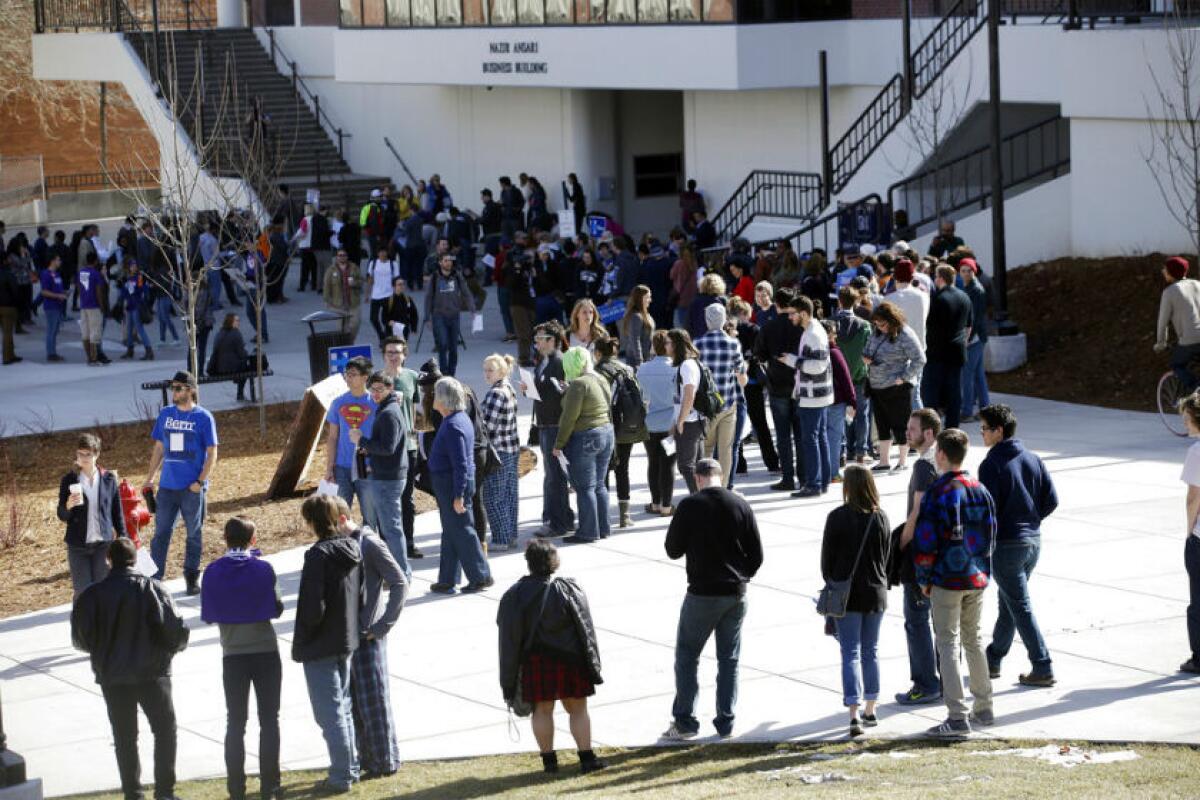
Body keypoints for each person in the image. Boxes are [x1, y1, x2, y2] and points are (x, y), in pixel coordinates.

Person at [71, 538, 189, 800]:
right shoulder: (153, 589)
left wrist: (102, 651)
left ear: (108, 560)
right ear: (135, 559)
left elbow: (80, 639)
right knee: (165, 731)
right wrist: (172, 650)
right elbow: (174, 630)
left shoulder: (92, 595)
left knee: (124, 738)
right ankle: (165, 792)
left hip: (113, 677)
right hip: (153, 674)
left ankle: (133, 794)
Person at [660, 458, 763, 740]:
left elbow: (672, 549)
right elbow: (757, 556)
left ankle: (685, 722)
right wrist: (742, 576)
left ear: (698, 478)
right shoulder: (741, 504)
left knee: (687, 657)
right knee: (728, 660)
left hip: (702, 594)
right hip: (735, 593)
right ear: (721, 475)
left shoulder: (690, 506)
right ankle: (726, 722)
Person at [497, 539, 606, 775]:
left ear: (529, 563)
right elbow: (586, 631)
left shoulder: (514, 595)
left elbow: (509, 639)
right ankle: (587, 759)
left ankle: (549, 763)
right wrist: (593, 666)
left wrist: (508, 680)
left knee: (542, 710)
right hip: (572, 660)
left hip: (536, 662)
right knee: (578, 709)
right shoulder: (569, 589)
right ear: (553, 561)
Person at [914, 428, 998, 738]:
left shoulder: (939, 492)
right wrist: (982, 570)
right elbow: (991, 536)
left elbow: (926, 542)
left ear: (941, 455)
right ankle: (984, 706)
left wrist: (924, 578)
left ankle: (957, 715)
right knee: (973, 639)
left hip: (947, 579)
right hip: (975, 576)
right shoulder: (980, 489)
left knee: (947, 643)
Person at [200, 517, 284, 800]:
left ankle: (236, 789)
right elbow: (278, 607)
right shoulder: (263, 569)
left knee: (235, 722)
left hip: (233, 654)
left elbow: (209, 614)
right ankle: (270, 787)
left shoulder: (212, 571)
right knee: (269, 720)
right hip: (265, 651)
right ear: (253, 540)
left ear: (225, 538)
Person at [978, 403, 1058, 687]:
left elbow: (986, 511)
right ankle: (993, 658)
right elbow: (1052, 500)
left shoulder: (991, 464)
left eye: (985, 429)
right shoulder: (1033, 458)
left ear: (999, 431)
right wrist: (1031, 522)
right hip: (1033, 543)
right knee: (1009, 603)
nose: (982, 434)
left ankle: (1042, 665)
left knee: (1019, 605)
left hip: (1006, 546)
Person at [294, 494, 364, 793]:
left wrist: (306, 633)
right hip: (345, 637)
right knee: (343, 708)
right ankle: (349, 768)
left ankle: (341, 775)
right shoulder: (353, 548)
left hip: (321, 642)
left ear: (314, 522)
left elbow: (313, 607)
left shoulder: (318, 556)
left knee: (329, 713)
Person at [335, 496, 408, 780]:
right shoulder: (344, 545)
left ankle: (385, 761)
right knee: (355, 701)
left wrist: (382, 626)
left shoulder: (369, 543)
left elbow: (400, 582)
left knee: (374, 702)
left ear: (342, 519)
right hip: (348, 637)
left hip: (368, 637)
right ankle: (367, 759)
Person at [821, 465, 891, 737]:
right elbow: (886, 558)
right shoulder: (881, 518)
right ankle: (871, 708)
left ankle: (853, 712)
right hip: (875, 591)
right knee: (870, 651)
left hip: (846, 594)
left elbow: (826, 562)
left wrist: (833, 580)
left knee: (849, 652)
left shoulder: (837, 517)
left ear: (847, 487)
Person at [144, 371, 219, 594]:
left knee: (194, 534)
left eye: (178, 388)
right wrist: (150, 478)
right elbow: (159, 448)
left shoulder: (204, 417)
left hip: (192, 489)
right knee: (161, 534)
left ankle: (191, 577)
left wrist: (200, 481)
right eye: (172, 388)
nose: (174, 392)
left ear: (191, 390)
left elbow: (212, 452)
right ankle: (155, 579)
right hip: (167, 487)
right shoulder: (166, 414)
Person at [893, 409, 944, 706]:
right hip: (942, 555)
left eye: (912, 429)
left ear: (929, 433)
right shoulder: (942, 459)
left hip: (921, 556)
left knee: (916, 620)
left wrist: (902, 542)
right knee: (942, 623)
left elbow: (918, 509)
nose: (907, 432)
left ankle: (925, 684)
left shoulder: (924, 467)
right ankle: (948, 680)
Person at [428, 377, 494, 593]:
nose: (432, 398)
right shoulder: (457, 418)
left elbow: (461, 464)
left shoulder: (455, 425)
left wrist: (458, 495)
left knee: (463, 531)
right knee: (451, 531)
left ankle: (481, 576)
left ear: (444, 399)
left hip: (453, 486)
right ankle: (447, 578)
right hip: (449, 484)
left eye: (436, 394)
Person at [351, 371, 412, 579]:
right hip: (386, 475)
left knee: (391, 530)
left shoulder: (388, 413)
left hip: (389, 479)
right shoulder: (386, 409)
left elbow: (388, 448)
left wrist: (362, 441)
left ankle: (402, 574)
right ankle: (399, 573)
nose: (375, 393)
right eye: (373, 389)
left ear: (390, 389)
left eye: (380, 389)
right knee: (390, 529)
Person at [553, 346, 615, 544]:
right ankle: (603, 528)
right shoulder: (599, 378)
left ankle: (588, 531)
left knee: (584, 487)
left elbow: (568, 418)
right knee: (599, 485)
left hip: (586, 436)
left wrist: (558, 444)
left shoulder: (579, 384)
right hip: (606, 432)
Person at [58, 433, 128, 598]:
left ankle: (103, 624)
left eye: (87, 454)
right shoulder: (69, 480)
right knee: (83, 593)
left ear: (96, 454)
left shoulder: (109, 479)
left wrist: (124, 539)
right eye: (80, 454)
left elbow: (117, 513)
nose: (83, 458)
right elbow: (61, 514)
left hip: (102, 545)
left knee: (104, 591)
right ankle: (82, 624)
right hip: (78, 546)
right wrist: (67, 506)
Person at [525, 322, 575, 538]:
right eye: (535, 339)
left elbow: (564, 394)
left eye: (540, 339)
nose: (536, 343)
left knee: (555, 477)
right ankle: (561, 517)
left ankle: (557, 522)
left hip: (555, 426)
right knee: (553, 476)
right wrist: (530, 390)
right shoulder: (542, 361)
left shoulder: (559, 362)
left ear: (552, 340)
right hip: (545, 425)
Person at [863, 302, 925, 472]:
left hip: (896, 388)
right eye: (876, 324)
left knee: (901, 425)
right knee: (882, 425)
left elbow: (920, 359)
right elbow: (867, 349)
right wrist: (866, 357)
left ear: (892, 320)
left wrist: (904, 377)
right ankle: (884, 461)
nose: (879, 327)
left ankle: (902, 462)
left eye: (882, 324)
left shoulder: (905, 334)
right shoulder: (876, 332)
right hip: (876, 386)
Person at [593, 336, 647, 528]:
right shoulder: (627, 369)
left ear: (598, 353)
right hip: (627, 426)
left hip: (607, 426)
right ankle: (624, 515)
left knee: (604, 470)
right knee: (623, 469)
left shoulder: (598, 371)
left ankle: (603, 515)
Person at [755, 287, 803, 490]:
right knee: (801, 434)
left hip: (777, 384)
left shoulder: (768, 326)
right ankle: (805, 475)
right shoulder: (802, 327)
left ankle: (788, 477)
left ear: (776, 304)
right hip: (800, 383)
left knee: (783, 435)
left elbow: (760, 354)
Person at [380, 337, 424, 560]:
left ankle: (409, 541)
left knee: (407, 498)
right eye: (389, 352)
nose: (394, 356)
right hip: (386, 447)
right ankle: (385, 544)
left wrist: (413, 431)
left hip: (408, 446)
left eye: (397, 352)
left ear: (404, 355)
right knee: (387, 498)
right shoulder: (378, 380)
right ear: (383, 355)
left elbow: (414, 409)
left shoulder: (412, 377)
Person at [784, 295, 832, 498]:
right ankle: (821, 481)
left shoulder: (813, 334)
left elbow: (818, 365)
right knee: (818, 437)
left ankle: (814, 483)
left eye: (793, 314)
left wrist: (792, 360)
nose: (790, 317)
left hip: (814, 395)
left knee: (810, 439)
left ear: (803, 313)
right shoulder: (813, 330)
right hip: (817, 394)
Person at [695, 303, 745, 481]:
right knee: (726, 449)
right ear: (724, 320)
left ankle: (705, 485)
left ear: (707, 321)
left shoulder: (697, 344)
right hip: (727, 404)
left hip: (706, 407)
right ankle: (722, 487)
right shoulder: (733, 344)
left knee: (705, 449)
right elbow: (742, 377)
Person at [923, 264, 973, 430]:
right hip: (958, 350)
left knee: (932, 394)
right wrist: (963, 341)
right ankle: (953, 426)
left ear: (940, 278)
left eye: (936, 276)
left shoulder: (938, 299)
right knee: (954, 391)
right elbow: (968, 326)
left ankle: (931, 428)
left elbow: (930, 327)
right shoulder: (964, 297)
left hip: (937, 352)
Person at [480, 354, 521, 550]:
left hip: (499, 451)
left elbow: (487, 426)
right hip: (511, 449)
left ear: (502, 371)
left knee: (493, 497)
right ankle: (510, 535)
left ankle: (501, 538)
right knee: (509, 495)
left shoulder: (496, 393)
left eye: (491, 370)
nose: (486, 374)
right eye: (485, 369)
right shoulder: (508, 389)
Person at [639, 330, 679, 516]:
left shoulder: (643, 369)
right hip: (670, 424)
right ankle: (666, 505)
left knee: (652, 462)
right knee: (668, 465)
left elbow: (640, 397)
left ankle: (655, 502)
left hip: (649, 423)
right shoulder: (676, 368)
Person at [833, 287, 872, 465]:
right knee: (861, 414)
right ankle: (860, 451)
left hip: (837, 377)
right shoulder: (864, 325)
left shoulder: (830, 324)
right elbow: (869, 351)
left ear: (839, 301)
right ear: (856, 302)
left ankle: (841, 451)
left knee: (839, 414)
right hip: (859, 375)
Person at [667, 328, 707, 494]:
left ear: (676, 345)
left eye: (668, 343)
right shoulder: (688, 364)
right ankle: (704, 499)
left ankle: (698, 499)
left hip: (690, 421)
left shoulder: (687, 366)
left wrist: (681, 421)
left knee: (686, 465)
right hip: (692, 420)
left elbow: (689, 395)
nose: (666, 346)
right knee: (698, 466)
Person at [1178, 393, 1200, 675]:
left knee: (1198, 601)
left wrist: (1189, 532)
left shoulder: (1197, 451)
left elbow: (1194, 497)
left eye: (1186, 417)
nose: (1184, 422)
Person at [425, 254, 475, 376]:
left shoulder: (457, 275)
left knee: (453, 347)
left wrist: (472, 309)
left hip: (454, 315)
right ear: (440, 262)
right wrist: (427, 317)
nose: (448, 263)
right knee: (442, 344)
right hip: (439, 315)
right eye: (445, 261)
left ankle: (451, 373)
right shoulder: (435, 277)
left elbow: (466, 292)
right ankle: (443, 372)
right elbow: (428, 297)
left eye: (450, 260)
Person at [1155, 255, 1200, 392]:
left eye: (1165, 269)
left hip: (1190, 340)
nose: (1163, 271)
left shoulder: (1170, 292)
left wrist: (1161, 343)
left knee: (1177, 365)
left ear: (1171, 272)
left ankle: (1196, 389)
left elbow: (1163, 322)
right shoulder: (1198, 284)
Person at [822, 320, 857, 485]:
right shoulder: (834, 352)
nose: (835, 336)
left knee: (821, 437)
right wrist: (852, 401)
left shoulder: (810, 350)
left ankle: (821, 471)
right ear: (828, 334)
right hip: (836, 401)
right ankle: (833, 473)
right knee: (834, 437)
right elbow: (845, 378)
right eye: (833, 333)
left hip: (817, 400)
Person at [958, 258, 990, 421]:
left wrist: (968, 338)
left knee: (967, 374)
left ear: (974, 271)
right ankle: (985, 409)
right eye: (963, 270)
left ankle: (967, 411)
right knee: (977, 374)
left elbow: (976, 318)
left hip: (975, 337)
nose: (966, 273)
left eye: (969, 270)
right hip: (976, 336)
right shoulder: (966, 287)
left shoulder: (975, 290)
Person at [208, 313, 253, 402]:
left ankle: (239, 390)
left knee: (241, 365)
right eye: (236, 320)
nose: (238, 322)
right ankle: (240, 394)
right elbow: (242, 354)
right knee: (248, 369)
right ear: (230, 322)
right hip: (231, 368)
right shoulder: (236, 334)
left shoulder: (219, 333)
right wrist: (247, 355)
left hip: (218, 367)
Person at [323, 248, 364, 340]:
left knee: (355, 325)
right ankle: (345, 345)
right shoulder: (331, 270)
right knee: (341, 329)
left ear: (347, 257)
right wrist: (326, 300)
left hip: (353, 303)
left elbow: (361, 281)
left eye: (344, 255)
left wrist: (355, 283)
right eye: (340, 255)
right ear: (336, 257)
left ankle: (350, 342)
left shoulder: (354, 267)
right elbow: (326, 286)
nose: (342, 257)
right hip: (338, 305)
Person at [78, 251, 109, 366]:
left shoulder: (81, 272)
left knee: (85, 333)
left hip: (84, 305)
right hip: (94, 306)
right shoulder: (96, 274)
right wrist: (101, 306)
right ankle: (94, 358)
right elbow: (98, 291)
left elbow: (79, 288)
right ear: (95, 261)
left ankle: (88, 357)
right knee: (94, 333)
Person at [366, 247, 401, 342]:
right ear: (377, 253)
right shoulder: (373, 263)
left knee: (386, 320)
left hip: (389, 295)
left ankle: (387, 338)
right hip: (376, 295)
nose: (382, 254)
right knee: (373, 319)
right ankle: (381, 335)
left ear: (387, 253)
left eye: (384, 251)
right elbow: (370, 279)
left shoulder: (393, 264)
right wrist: (367, 294)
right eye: (380, 252)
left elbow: (397, 280)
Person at [40, 253, 68, 362]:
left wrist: (64, 293)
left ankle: (53, 352)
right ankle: (51, 354)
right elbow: (44, 291)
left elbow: (56, 288)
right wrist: (58, 296)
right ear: (52, 261)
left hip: (58, 306)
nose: (60, 262)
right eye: (58, 260)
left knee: (55, 330)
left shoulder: (56, 274)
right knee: (51, 330)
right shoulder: (46, 274)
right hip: (51, 306)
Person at [620, 285, 655, 368]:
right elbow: (635, 340)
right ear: (640, 298)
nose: (650, 300)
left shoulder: (646, 315)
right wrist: (640, 361)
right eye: (647, 297)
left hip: (647, 358)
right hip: (636, 361)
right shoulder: (635, 316)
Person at [670, 244, 700, 330]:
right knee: (692, 324)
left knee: (683, 326)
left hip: (681, 298)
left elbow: (671, 276)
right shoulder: (694, 263)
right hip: (693, 297)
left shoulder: (678, 263)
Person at [381, 277, 419, 343]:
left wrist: (414, 328)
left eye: (403, 284)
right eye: (399, 284)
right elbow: (383, 316)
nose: (402, 286)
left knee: (401, 349)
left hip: (404, 330)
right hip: (391, 331)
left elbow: (414, 314)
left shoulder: (408, 299)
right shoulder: (388, 301)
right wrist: (388, 322)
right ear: (394, 287)